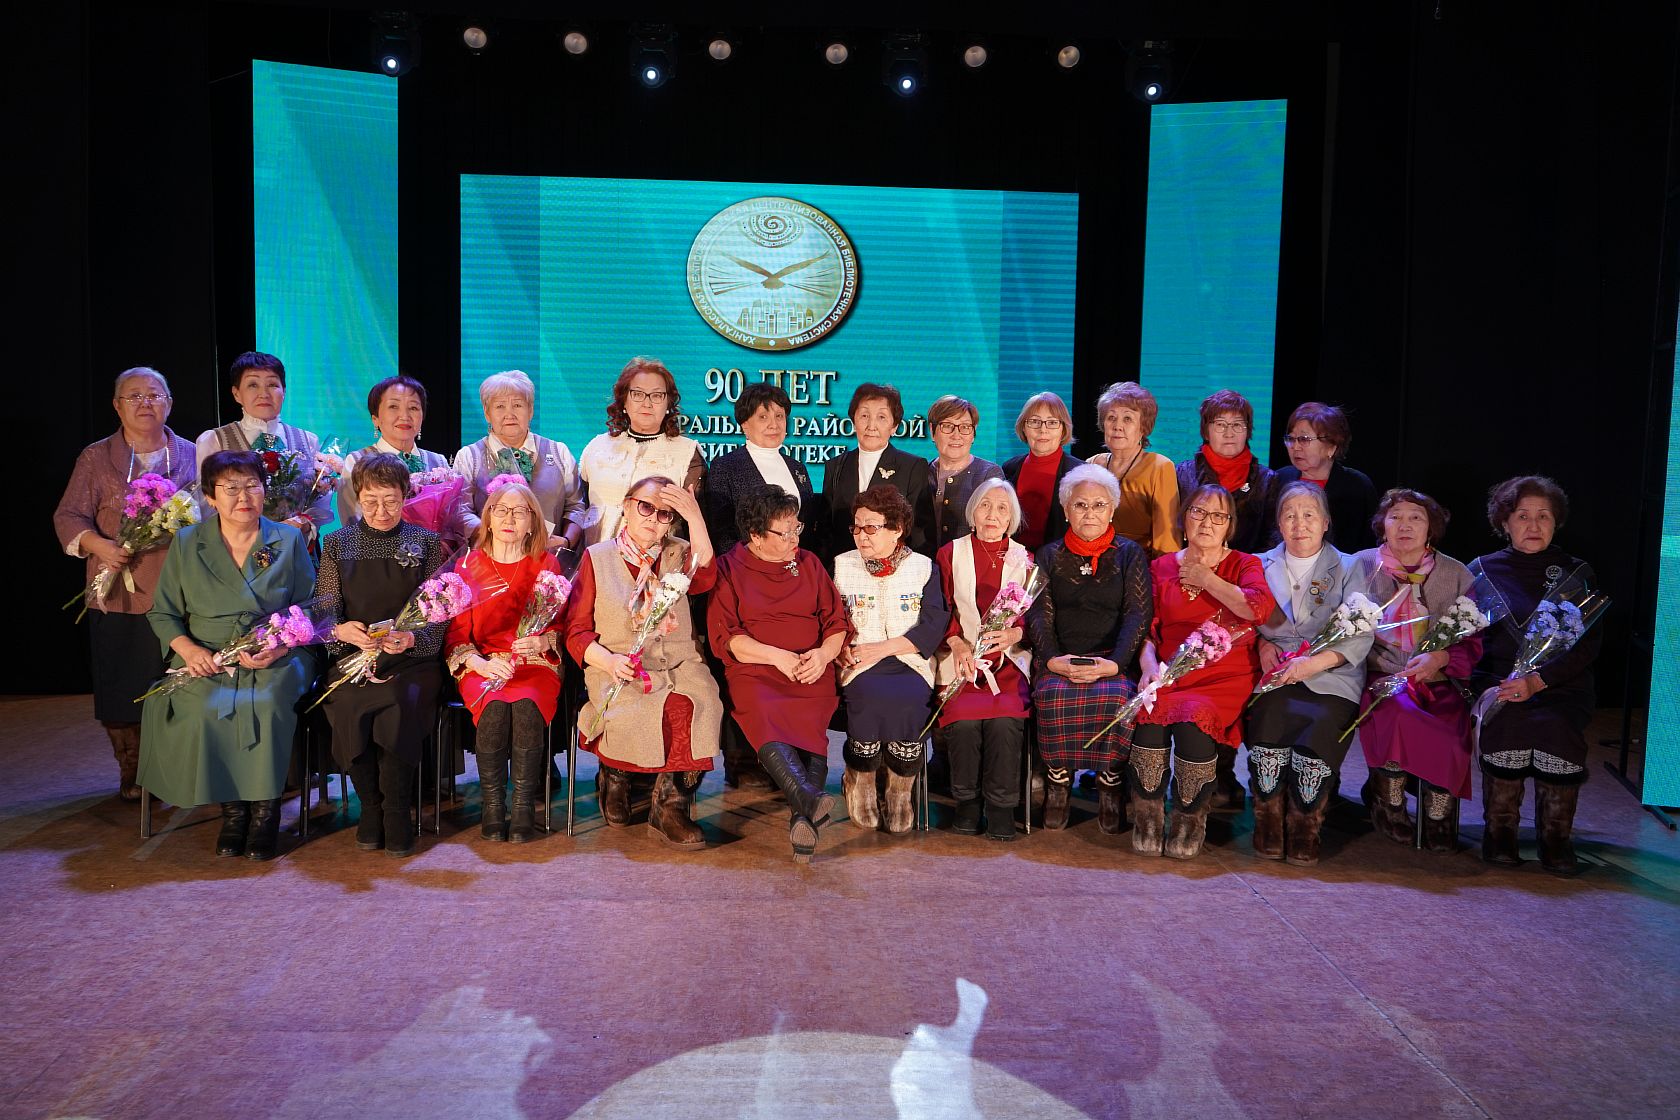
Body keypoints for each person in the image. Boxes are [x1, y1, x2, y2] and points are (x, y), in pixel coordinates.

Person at [137, 450, 319, 860]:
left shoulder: (287, 538)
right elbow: (163, 611)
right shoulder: (188, 543)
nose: (243, 497)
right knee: (205, 707)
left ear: (265, 490)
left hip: (277, 652)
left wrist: (280, 643)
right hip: (209, 655)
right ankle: (233, 813)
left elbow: (311, 606)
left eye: (252, 485)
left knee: (267, 703)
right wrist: (187, 649)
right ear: (210, 496)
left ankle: (266, 813)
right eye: (231, 488)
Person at [54, 366, 198, 800]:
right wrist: (100, 546)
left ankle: (175, 768)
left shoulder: (193, 454)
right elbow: (68, 515)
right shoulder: (96, 457)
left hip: (181, 590)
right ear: (117, 406)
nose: (145, 403)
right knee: (122, 685)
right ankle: (132, 769)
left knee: (178, 683)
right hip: (118, 588)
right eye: (134, 396)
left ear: (170, 403)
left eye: (155, 395)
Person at [568, 475, 724, 849]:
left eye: (665, 514)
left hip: (679, 664)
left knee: (699, 702)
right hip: (618, 665)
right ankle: (615, 776)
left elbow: (706, 576)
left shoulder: (680, 553)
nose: (653, 518)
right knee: (636, 710)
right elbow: (576, 631)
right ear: (627, 507)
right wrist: (608, 661)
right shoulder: (597, 558)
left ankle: (670, 807)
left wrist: (695, 516)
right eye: (646, 507)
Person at [1132, 484, 1274, 859]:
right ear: (1184, 519)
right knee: (1148, 714)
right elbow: (1147, 629)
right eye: (1198, 512)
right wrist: (1148, 667)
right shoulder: (1161, 567)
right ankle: (1147, 817)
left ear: (1230, 525)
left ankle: (1189, 818)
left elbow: (1257, 609)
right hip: (1170, 669)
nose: (1207, 522)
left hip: (1223, 674)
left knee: (1194, 720)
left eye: (1218, 516)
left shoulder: (1244, 564)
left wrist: (1207, 578)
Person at [1470, 476, 1602, 875]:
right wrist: (1499, 685)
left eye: (1543, 516)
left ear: (1555, 522)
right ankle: (1500, 833)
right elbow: (1470, 640)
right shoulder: (1482, 571)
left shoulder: (1576, 573)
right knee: (1508, 721)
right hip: (1500, 683)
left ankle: (1556, 838)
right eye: (1522, 516)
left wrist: (1539, 681)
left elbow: (1588, 645)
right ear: (1504, 522)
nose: (1533, 525)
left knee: (1556, 726)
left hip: (1560, 686)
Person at [318, 454, 447, 858]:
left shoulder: (426, 543)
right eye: (371, 501)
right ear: (357, 497)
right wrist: (341, 632)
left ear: (405, 496)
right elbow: (325, 612)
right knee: (348, 703)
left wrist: (411, 640)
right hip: (354, 657)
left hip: (411, 660)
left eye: (391, 501)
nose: (381, 511)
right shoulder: (337, 543)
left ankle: (396, 812)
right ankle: (371, 808)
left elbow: (438, 614)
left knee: (397, 702)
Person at [709, 486, 846, 862]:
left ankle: (805, 810)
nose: (794, 539)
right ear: (756, 535)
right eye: (784, 533)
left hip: (810, 665)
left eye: (796, 529)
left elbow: (836, 621)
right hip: (756, 668)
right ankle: (807, 803)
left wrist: (823, 654)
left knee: (812, 715)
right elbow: (727, 637)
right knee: (762, 707)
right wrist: (777, 658)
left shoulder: (809, 563)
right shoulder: (728, 568)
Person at [1248, 481, 1374, 865]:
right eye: (1289, 515)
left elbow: (1361, 630)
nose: (1299, 524)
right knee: (1269, 722)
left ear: (1325, 522)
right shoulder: (1257, 564)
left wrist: (1312, 664)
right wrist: (1262, 644)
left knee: (1319, 730)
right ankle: (1269, 822)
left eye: (1308, 515)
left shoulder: (1350, 566)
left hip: (1331, 673)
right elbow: (1242, 620)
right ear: (1278, 523)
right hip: (1275, 672)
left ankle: (1305, 825)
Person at [1024, 465, 1153, 834]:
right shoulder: (1048, 555)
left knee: (1118, 697)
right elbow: (1039, 615)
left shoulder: (1130, 554)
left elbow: (1138, 614)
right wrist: (1052, 660)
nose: (1090, 513)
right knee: (1051, 694)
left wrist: (1116, 664)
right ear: (1066, 511)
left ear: (1112, 510)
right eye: (1080, 505)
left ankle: (1110, 783)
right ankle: (1058, 781)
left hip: (1112, 658)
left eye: (1099, 505)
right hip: (1060, 657)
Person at [1352, 488, 1481, 852]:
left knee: (1450, 727)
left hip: (1437, 677)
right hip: (1382, 674)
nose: (1405, 525)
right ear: (1382, 525)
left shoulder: (1457, 574)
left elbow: (1472, 640)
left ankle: (1439, 810)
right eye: (1395, 517)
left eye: (1416, 518)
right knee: (1398, 713)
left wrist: (1440, 659)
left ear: (1431, 528)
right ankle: (1388, 802)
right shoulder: (1359, 565)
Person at [445, 480, 568, 843]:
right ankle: (493, 806)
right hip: (483, 665)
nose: (509, 519)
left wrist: (543, 640)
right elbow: (457, 636)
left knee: (527, 707)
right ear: (488, 518)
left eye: (519, 512)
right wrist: (480, 664)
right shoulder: (468, 566)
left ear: (533, 522)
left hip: (535, 663)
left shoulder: (547, 565)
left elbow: (563, 625)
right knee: (495, 708)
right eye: (500, 510)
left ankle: (524, 806)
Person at [834, 485, 950, 834]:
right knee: (868, 694)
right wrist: (838, 646)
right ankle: (862, 781)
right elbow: (830, 617)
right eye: (856, 527)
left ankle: (900, 790)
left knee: (909, 698)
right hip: (859, 663)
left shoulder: (923, 567)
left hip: (909, 659)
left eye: (871, 527)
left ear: (897, 529)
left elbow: (934, 622)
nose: (861, 536)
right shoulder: (842, 565)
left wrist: (884, 648)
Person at [934, 479, 1034, 841]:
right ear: (972, 512)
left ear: (1011, 518)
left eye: (1002, 508)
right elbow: (940, 607)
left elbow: (1034, 616)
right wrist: (956, 641)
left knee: (1005, 722)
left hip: (1008, 662)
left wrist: (1015, 634)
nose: (992, 514)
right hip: (961, 660)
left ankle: (1001, 807)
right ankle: (967, 804)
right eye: (985, 506)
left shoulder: (1024, 559)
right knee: (962, 722)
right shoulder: (950, 553)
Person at [195, 351, 332, 543]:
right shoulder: (214, 440)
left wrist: (305, 523)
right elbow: (205, 504)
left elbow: (320, 496)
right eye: (253, 385)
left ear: (284, 391)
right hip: (237, 548)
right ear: (236, 394)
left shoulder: (308, 440)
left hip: (296, 545)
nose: (264, 394)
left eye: (272, 385)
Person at [454, 369, 585, 554]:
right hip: (490, 560)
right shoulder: (469, 457)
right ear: (487, 413)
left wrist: (566, 542)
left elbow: (576, 506)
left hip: (549, 561)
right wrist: (492, 537)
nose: (510, 414)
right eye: (500, 406)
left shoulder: (559, 452)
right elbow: (460, 511)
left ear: (530, 410)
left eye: (517, 405)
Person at [578, 357, 704, 548]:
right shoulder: (596, 447)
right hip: (595, 557)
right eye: (637, 394)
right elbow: (578, 506)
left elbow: (693, 522)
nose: (647, 403)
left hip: (660, 561)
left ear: (668, 403)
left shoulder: (687, 454)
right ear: (624, 401)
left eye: (656, 396)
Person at [337, 374, 472, 550]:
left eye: (413, 408)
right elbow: (353, 520)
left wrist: (440, 544)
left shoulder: (438, 461)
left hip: (436, 557)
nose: (405, 415)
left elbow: (452, 517)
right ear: (375, 418)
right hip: (378, 557)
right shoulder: (357, 460)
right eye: (393, 406)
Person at [703, 382, 820, 556]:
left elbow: (809, 527)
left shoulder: (798, 468)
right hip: (746, 567)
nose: (774, 425)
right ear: (744, 424)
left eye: (779, 416)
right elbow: (721, 533)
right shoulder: (725, 467)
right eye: (763, 417)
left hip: (797, 565)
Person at [821, 382, 933, 561]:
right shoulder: (836, 466)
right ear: (853, 421)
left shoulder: (912, 467)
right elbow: (826, 530)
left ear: (894, 426)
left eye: (881, 417)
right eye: (865, 415)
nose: (871, 425)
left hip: (896, 569)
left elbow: (919, 532)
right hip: (844, 567)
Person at [1259, 402, 1378, 553]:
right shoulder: (1280, 479)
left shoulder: (1357, 486)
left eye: (1304, 439)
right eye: (1291, 439)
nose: (1295, 447)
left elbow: (1369, 543)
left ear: (1331, 447)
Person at [1086, 381, 1179, 558]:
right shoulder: (1092, 464)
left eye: (1127, 419)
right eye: (1111, 418)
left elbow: (1167, 537)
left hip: (1139, 563)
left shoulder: (1159, 467)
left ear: (1143, 427)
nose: (1117, 426)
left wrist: (1162, 570)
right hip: (1093, 559)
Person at [1174, 389, 1273, 554]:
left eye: (1237, 425)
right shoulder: (1182, 474)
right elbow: (1173, 530)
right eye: (1220, 424)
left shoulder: (1267, 480)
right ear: (1206, 431)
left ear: (1248, 431)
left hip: (1248, 566)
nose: (1229, 433)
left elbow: (1271, 539)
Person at [924, 395, 1005, 552]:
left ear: (973, 434)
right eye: (947, 426)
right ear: (932, 431)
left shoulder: (988, 475)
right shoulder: (921, 472)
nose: (956, 435)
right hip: (924, 562)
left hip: (969, 562)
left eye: (965, 427)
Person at [1003, 392, 1079, 553]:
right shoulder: (1009, 469)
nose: (1043, 430)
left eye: (1052, 422)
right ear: (1024, 427)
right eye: (1034, 422)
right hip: (1013, 559)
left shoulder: (1080, 473)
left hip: (1060, 560)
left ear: (1063, 429)